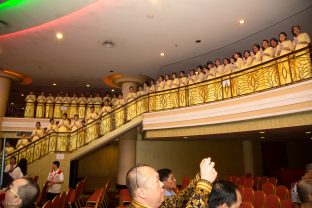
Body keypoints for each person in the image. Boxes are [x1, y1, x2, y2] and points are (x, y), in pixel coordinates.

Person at [126, 157, 217, 208]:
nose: (162, 183)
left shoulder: (160, 204)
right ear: (142, 192)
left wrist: (200, 176)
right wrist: (205, 184)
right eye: (156, 181)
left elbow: (181, 198)